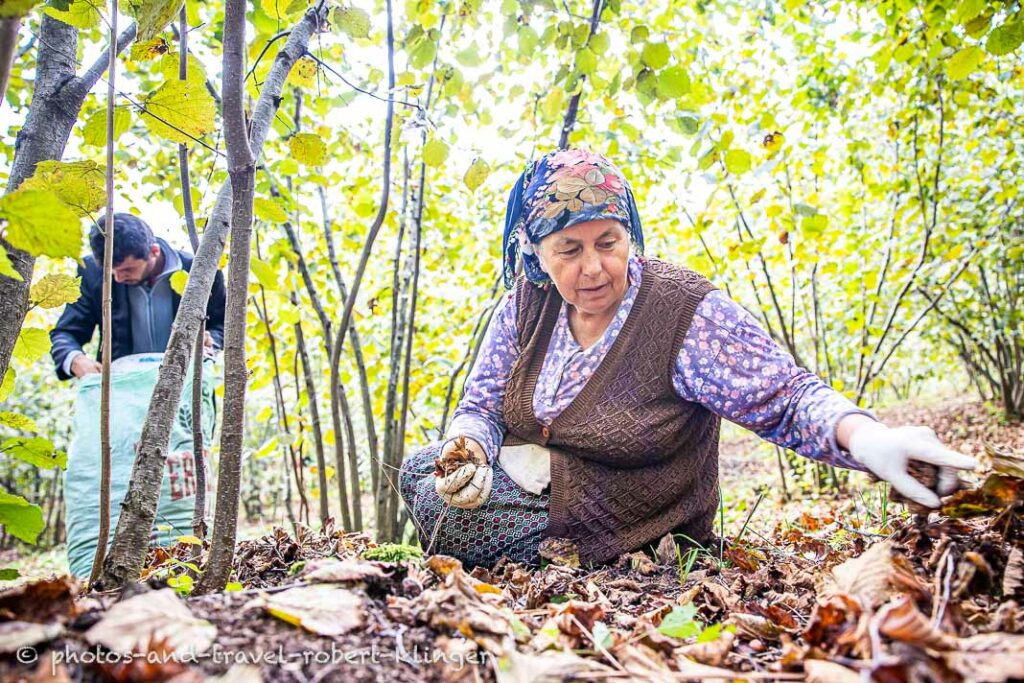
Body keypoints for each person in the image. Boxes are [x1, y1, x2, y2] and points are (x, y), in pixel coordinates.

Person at [399, 148, 978, 569]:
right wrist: (471, 446)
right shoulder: (526, 307)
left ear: (632, 235)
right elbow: (480, 403)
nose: (594, 268)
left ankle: (592, 563)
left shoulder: (683, 312)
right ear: (536, 254)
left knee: (458, 521)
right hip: (539, 494)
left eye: (609, 242)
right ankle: (533, 553)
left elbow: (786, 395)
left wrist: (871, 442)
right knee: (424, 470)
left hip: (637, 519)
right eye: (568, 250)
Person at [50, 213, 226, 379]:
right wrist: (75, 359)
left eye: (127, 269)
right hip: (121, 391)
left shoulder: (200, 270)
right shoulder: (92, 274)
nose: (118, 278)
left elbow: (223, 324)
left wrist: (211, 341)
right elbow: (65, 333)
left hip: (187, 385)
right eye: (112, 272)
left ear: (154, 251)